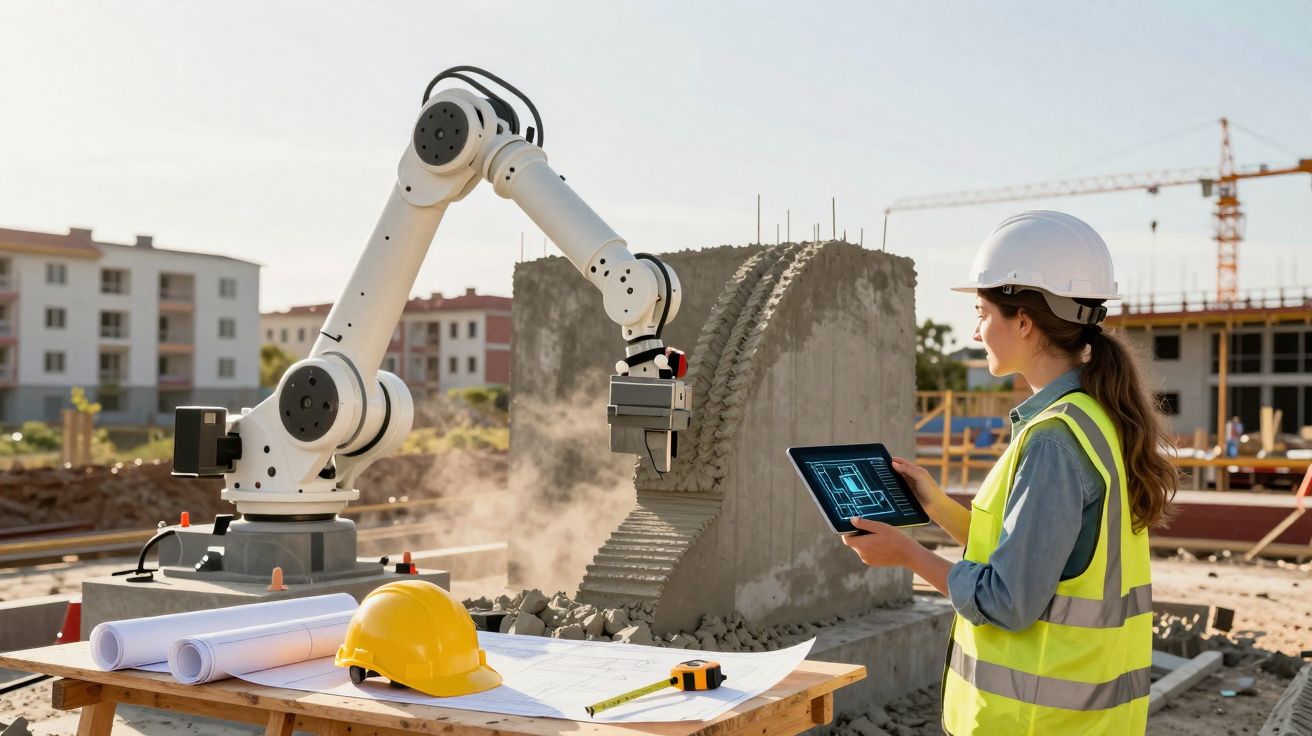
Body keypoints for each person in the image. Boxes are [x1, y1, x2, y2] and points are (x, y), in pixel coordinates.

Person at [840, 211, 1177, 734]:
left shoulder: (1053, 440)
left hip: (1033, 722)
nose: (975, 330)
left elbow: (1008, 600)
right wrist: (936, 505)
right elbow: (1034, 553)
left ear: (1023, 321)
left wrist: (907, 555)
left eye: (981, 313)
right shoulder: (1095, 417)